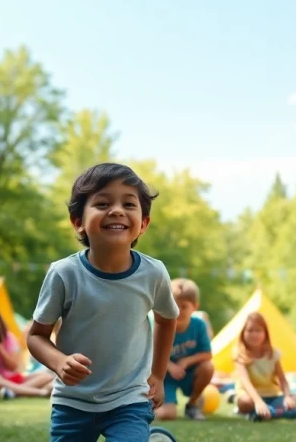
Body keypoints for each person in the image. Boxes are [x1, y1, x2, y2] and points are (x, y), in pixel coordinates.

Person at [26, 163, 180, 442]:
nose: (117, 210)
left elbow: (167, 319)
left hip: (129, 399)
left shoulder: (153, 273)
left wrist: (157, 374)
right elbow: (36, 336)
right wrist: (59, 362)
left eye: (129, 204)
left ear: (143, 223)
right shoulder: (64, 274)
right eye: (103, 203)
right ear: (78, 221)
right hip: (72, 402)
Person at [233, 311, 296, 421]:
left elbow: (283, 380)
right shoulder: (240, 354)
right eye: (250, 330)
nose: (254, 334)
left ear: (265, 334)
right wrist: (258, 402)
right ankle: (275, 411)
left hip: (272, 396)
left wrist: (287, 397)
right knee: (243, 402)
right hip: (251, 398)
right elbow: (246, 383)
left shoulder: (273, 354)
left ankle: (269, 413)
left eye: (258, 330)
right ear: (243, 333)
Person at [158, 278, 214, 421]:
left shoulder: (199, 325)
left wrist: (186, 361)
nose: (178, 311)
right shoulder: (161, 325)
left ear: (195, 306)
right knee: (167, 415)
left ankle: (192, 404)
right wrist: (170, 366)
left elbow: (207, 354)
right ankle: (154, 404)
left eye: (184, 306)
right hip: (165, 377)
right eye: (174, 305)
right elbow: (150, 354)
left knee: (208, 367)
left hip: (188, 374)